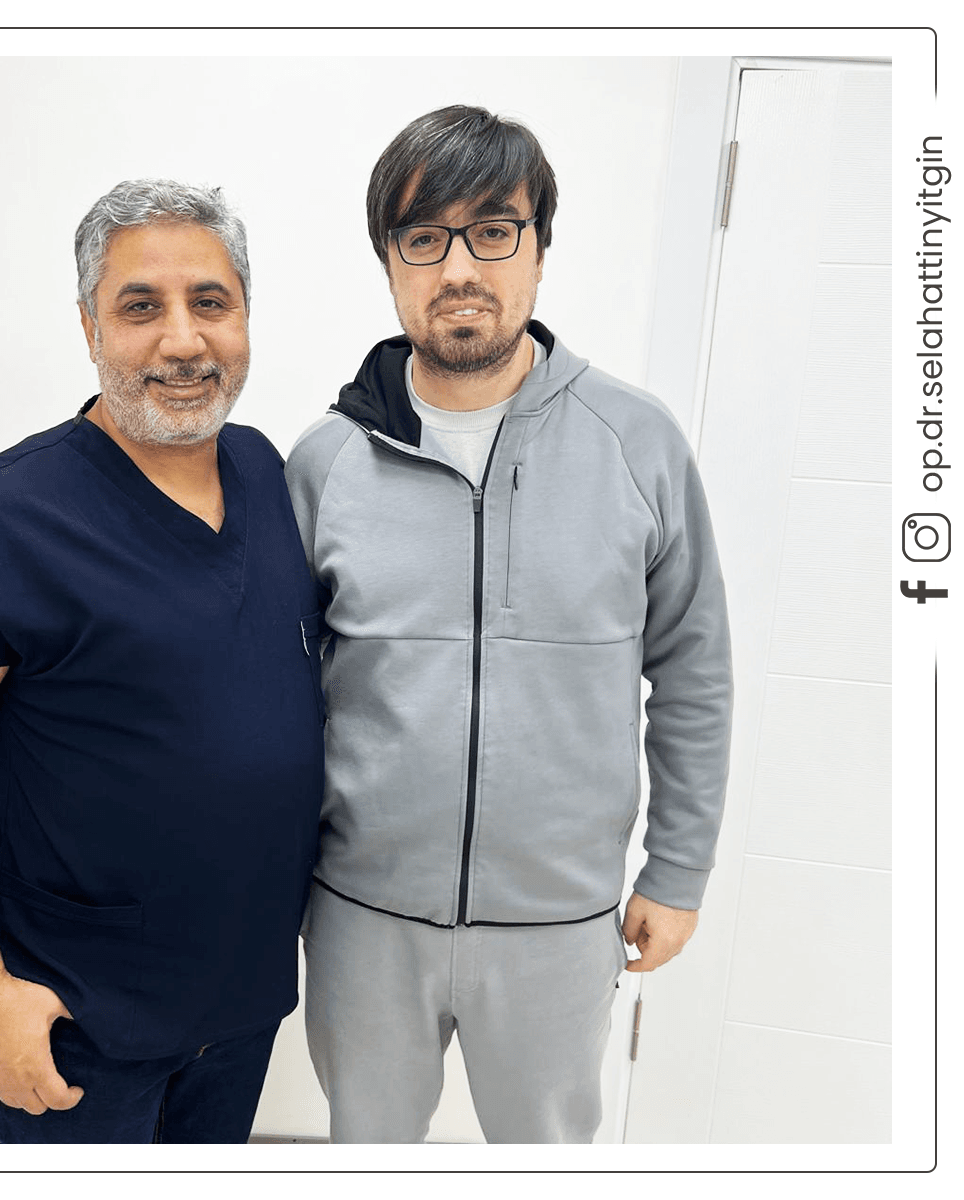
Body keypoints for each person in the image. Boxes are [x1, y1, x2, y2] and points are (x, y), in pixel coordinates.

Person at [285, 106, 733, 1144]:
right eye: (423, 238)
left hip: (558, 928)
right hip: (360, 918)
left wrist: (677, 870)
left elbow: (694, 668)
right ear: (389, 262)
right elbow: (277, 691)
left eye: (493, 231)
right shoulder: (325, 462)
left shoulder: (638, 444)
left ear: (538, 247)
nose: (459, 269)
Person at [0, 179, 325, 1144]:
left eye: (211, 302)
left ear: (245, 317)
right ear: (89, 327)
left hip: (243, 1003)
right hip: (76, 1021)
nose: (183, 341)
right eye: (140, 307)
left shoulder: (266, 473)